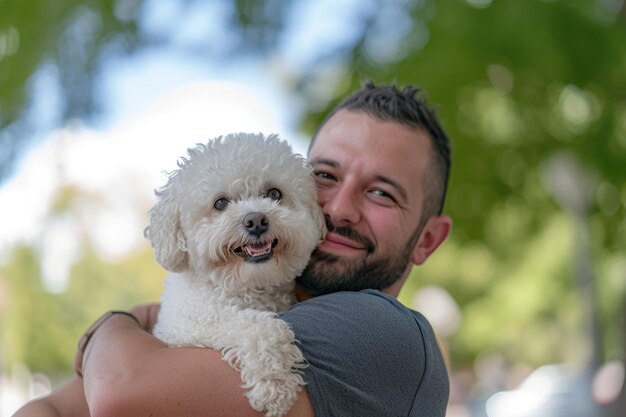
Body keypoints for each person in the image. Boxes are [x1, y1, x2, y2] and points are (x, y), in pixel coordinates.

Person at [14, 81, 453, 417]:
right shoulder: (245, 301)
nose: (338, 209)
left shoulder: (384, 334)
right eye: (325, 175)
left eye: (381, 193)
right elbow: (47, 408)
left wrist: (113, 326)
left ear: (429, 239)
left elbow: (118, 390)